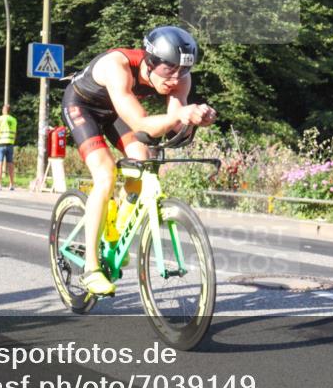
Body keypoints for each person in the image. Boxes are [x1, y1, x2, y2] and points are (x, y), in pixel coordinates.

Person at [62, 26, 218, 295]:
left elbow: (174, 128)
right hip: (82, 107)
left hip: (115, 113)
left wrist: (195, 120)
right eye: (169, 70)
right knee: (105, 174)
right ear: (150, 62)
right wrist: (181, 115)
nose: (175, 78)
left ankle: (115, 230)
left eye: (183, 70)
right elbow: (142, 124)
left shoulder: (180, 78)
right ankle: (91, 268)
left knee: (141, 159)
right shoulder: (117, 66)